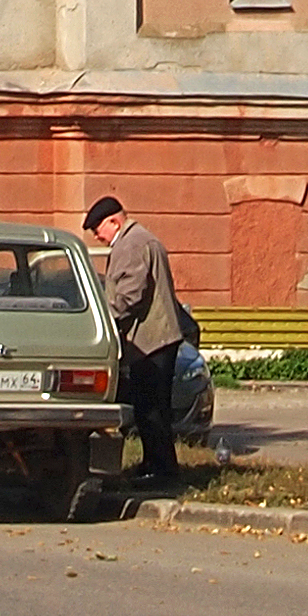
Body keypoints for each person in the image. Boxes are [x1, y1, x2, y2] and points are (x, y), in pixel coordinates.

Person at [83, 195, 187, 486]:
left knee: (151, 408)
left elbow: (130, 296)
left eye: (98, 229)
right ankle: (154, 463)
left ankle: (163, 471)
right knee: (150, 407)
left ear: (114, 222)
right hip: (157, 337)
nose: (96, 236)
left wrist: (103, 323)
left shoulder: (131, 244)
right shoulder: (141, 239)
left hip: (150, 340)